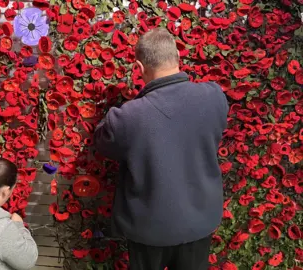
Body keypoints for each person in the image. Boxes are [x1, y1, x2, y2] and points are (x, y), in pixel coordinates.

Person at [94, 28, 229, 270]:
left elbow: (103, 142)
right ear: (178, 56)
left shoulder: (128, 117)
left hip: (150, 230)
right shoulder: (214, 96)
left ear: (138, 67)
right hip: (199, 223)